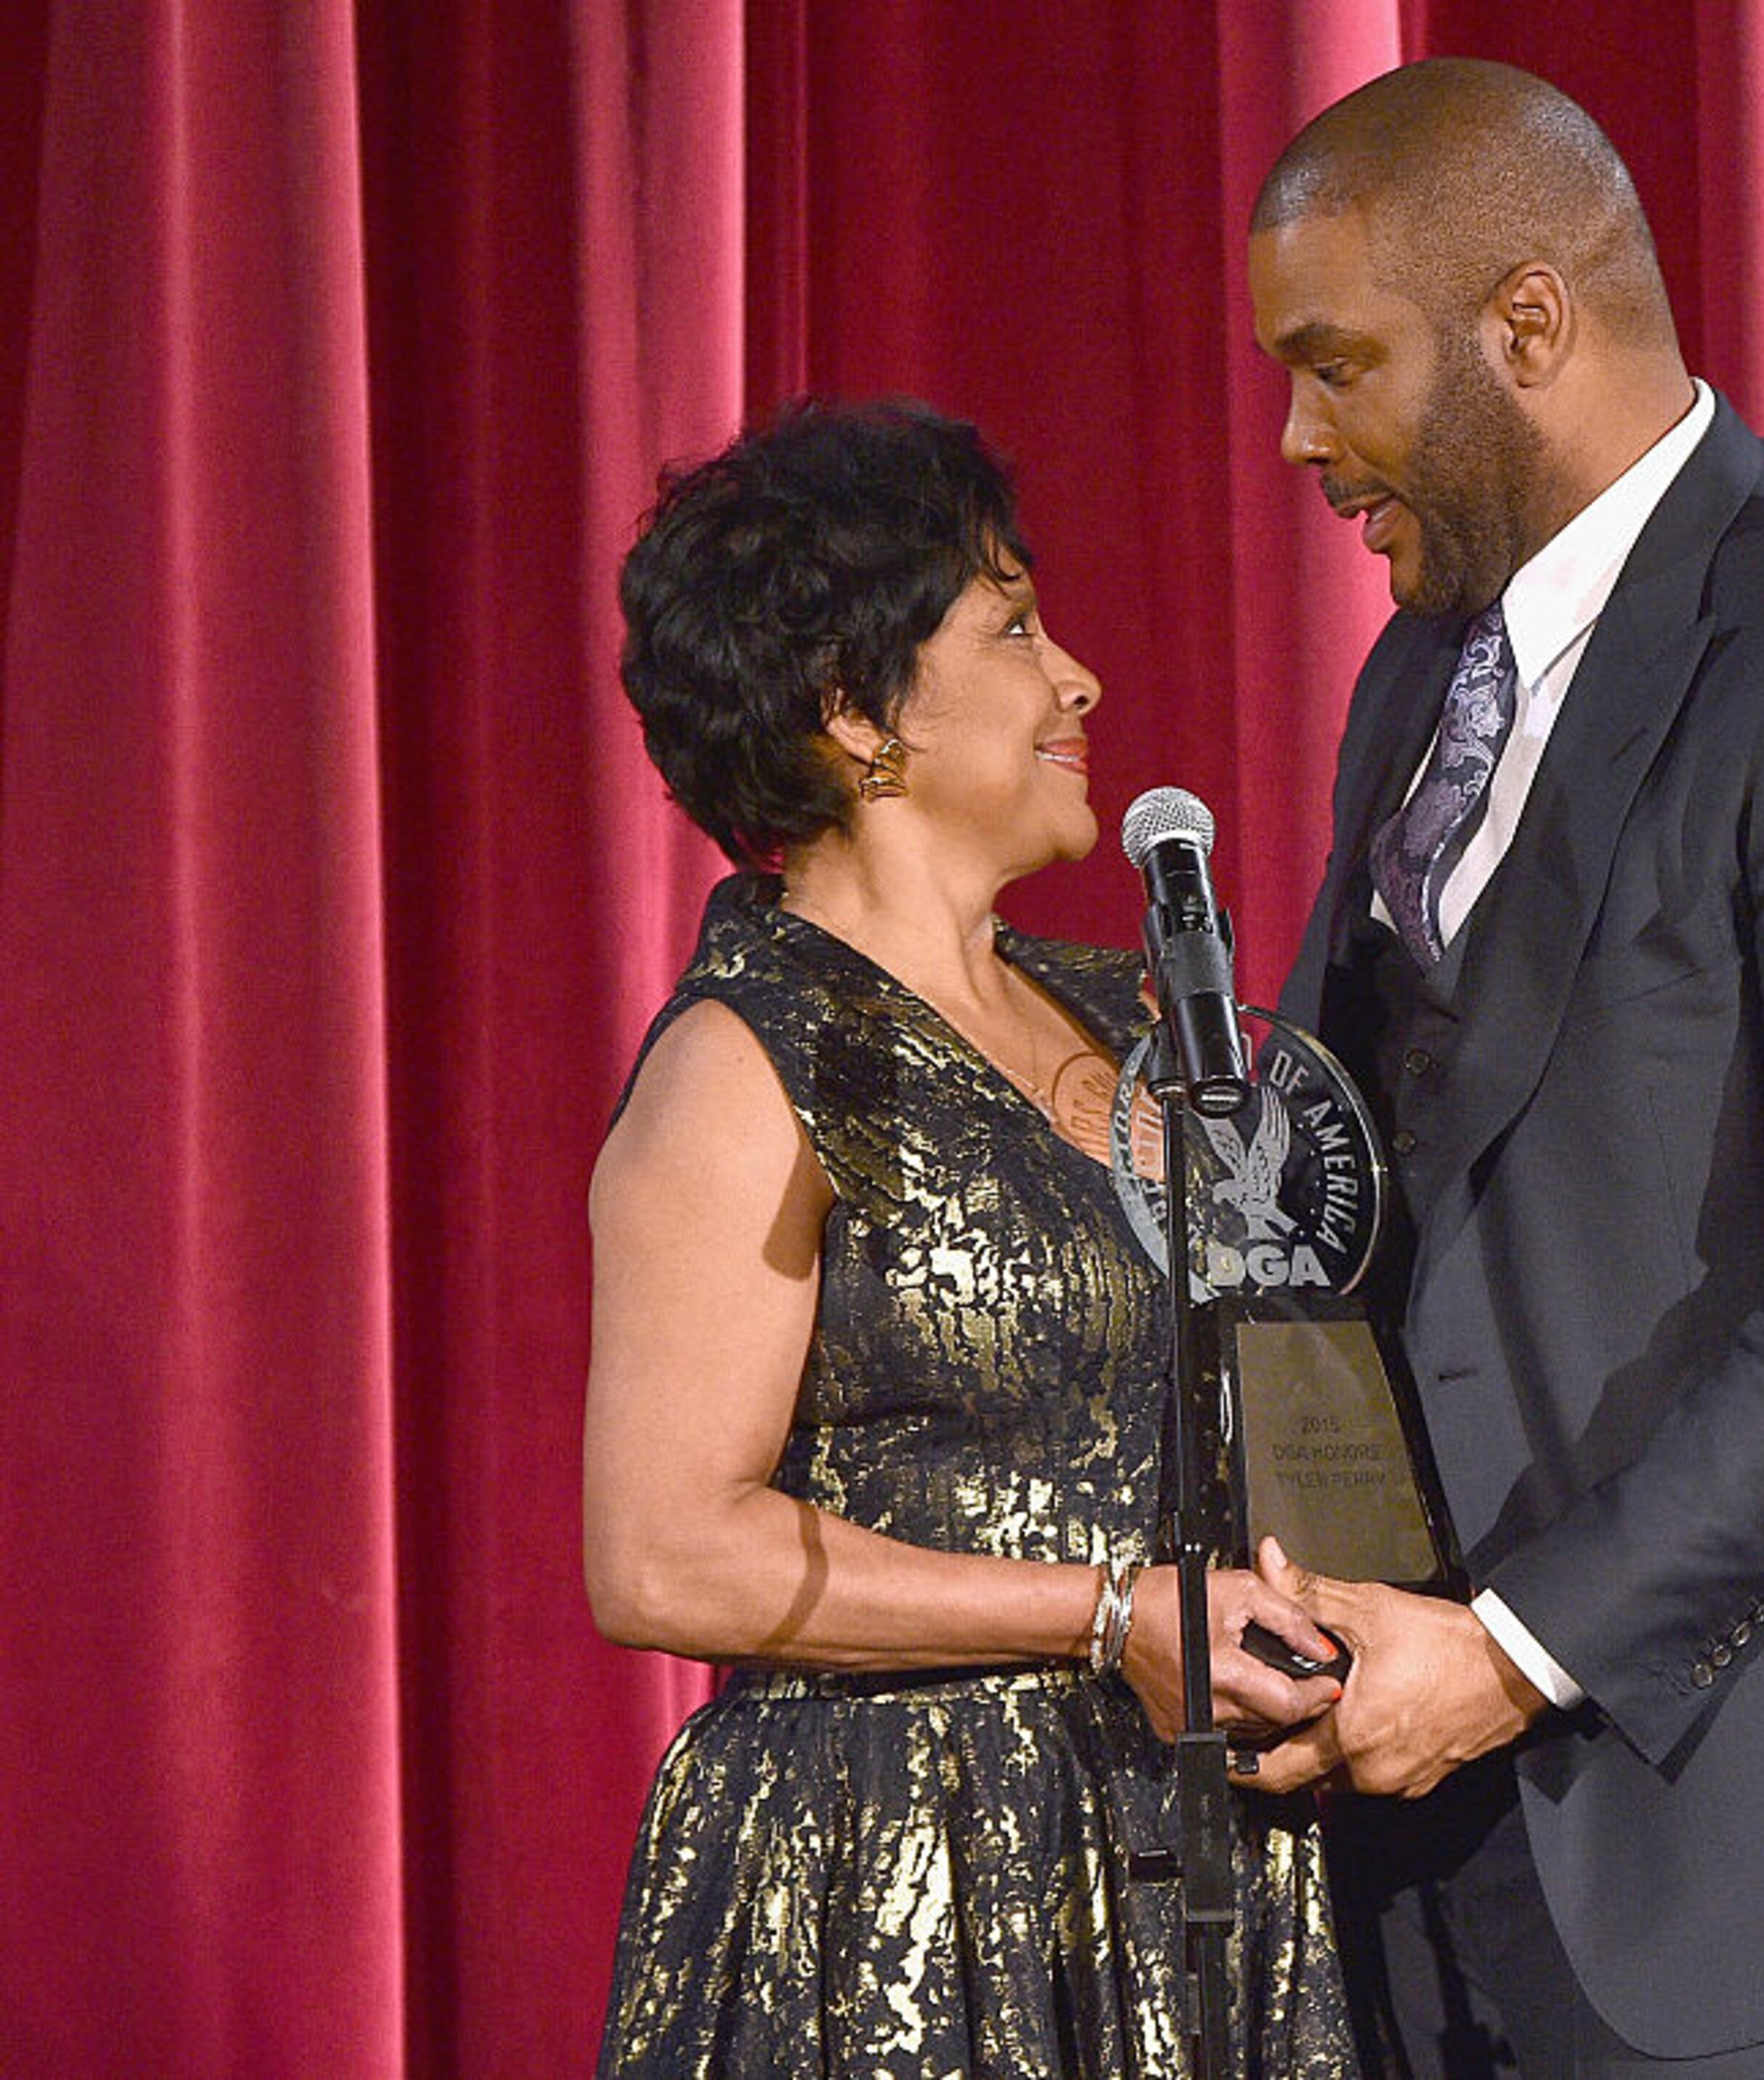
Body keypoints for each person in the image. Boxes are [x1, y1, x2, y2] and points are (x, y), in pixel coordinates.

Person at [1239, 60, 1764, 2080]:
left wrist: (1512, 1647)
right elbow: (1379, 1162)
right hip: (1420, 1830)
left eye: (1334, 364)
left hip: (1750, 1835)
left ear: (1526, 325)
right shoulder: (1418, 669)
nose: (1296, 434)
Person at [583, 396, 1359, 2079]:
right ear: (854, 711)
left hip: (1197, 1862)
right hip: (901, 1889)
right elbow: (661, 1553)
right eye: (1011, 626)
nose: (1076, 677)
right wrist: (1102, 1616)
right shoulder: (755, 1055)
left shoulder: (1131, 1010)